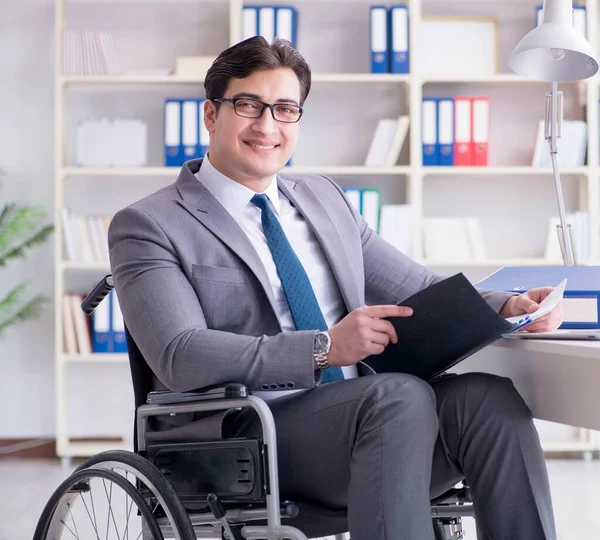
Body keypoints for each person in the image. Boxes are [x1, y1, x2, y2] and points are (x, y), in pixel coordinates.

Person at [108, 36, 562, 540]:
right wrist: (324, 348)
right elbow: (179, 354)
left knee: (489, 398)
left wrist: (508, 305)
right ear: (212, 115)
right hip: (248, 434)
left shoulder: (325, 199)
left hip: (370, 420)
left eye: (284, 109)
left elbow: (418, 288)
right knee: (399, 396)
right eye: (248, 106)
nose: (267, 126)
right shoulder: (149, 223)